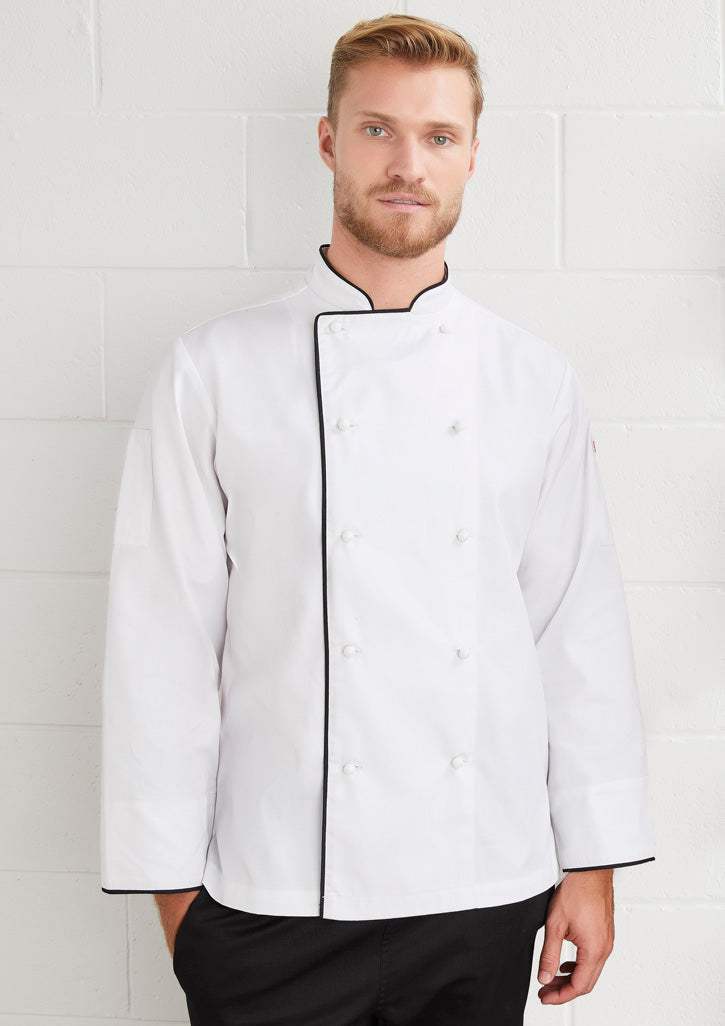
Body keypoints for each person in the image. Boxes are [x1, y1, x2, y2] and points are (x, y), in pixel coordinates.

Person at [100, 13, 654, 1026]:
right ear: (328, 141)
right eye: (376, 130)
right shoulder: (211, 370)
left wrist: (592, 862)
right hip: (272, 895)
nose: (407, 164)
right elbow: (161, 645)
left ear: (472, 154)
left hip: (483, 889)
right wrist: (182, 910)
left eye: (438, 136)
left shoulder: (531, 378)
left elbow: (574, 630)